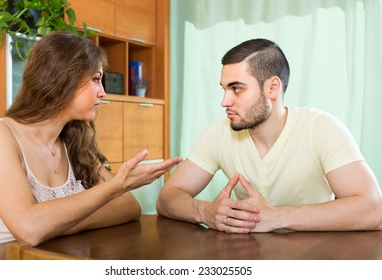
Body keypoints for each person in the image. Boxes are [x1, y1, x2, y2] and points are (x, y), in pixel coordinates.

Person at [0, 31, 182, 249]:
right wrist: (116, 186)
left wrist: (56, 223)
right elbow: (30, 229)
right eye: (96, 79)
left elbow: (130, 207)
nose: (103, 92)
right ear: (62, 78)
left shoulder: (73, 141)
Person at [157, 38, 382, 233]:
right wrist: (205, 212)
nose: (224, 101)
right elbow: (167, 198)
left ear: (272, 88)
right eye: (224, 89)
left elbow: (373, 209)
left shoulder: (321, 128)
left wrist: (275, 217)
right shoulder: (217, 134)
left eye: (236, 88)